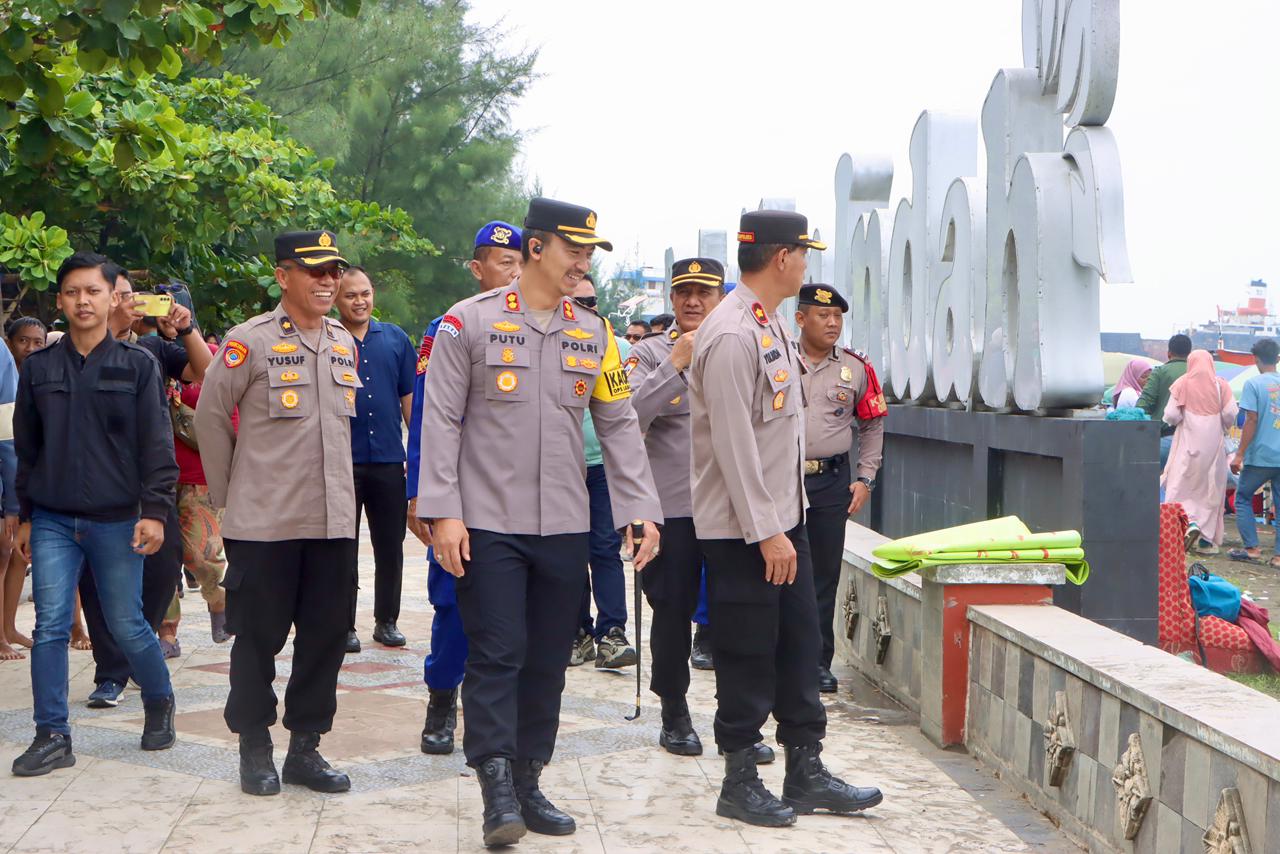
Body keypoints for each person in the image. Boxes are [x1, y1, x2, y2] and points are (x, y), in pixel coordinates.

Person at [417, 198, 661, 847]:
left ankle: (529, 779)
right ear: (534, 248)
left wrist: (639, 507)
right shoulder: (466, 325)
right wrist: (442, 512)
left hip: (564, 523)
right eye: (573, 250)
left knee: (549, 659)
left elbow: (618, 424)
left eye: (588, 253)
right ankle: (496, 786)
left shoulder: (594, 333)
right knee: (498, 652)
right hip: (488, 521)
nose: (583, 262)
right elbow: (437, 420)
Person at [689, 210, 882, 828]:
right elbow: (733, 443)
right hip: (745, 528)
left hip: (784, 519)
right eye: (804, 253)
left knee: (800, 644)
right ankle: (740, 778)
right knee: (746, 651)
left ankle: (806, 769)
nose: (806, 264)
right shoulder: (730, 333)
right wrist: (766, 529)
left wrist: (784, 524)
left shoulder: (765, 321)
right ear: (782, 259)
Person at [195, 229, 359, 796]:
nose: (327, 280)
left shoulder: (342, 342)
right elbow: (211, 417)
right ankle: (255, 745)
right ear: (283, 276)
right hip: (264, 525)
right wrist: (227, 497)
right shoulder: (248, 342)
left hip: (334, 524)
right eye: (313, 270)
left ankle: (305, 749)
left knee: (327, 638)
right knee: (257, 638)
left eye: (333, 270)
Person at [11, 251, 178, 777]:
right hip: (55, 519)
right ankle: (52, 733)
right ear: (60, 300)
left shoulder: (138, 365)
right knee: (51, 626)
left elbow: (157, 444)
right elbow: (27, 447)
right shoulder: (38, 369)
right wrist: (26, 514)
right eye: (72, 292)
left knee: (127, 624)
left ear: (112, 299)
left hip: (117, 518)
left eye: (94, 291)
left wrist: (153, 511)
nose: (83, 300)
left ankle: (159, 698)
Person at [628, 257, 770, 761]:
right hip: (674, 512)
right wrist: (675, 365)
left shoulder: (743, 345)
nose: (692, 301)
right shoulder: (647, 354)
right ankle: (674, 713)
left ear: (720, 295)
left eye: (703, 292)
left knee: (738, 617)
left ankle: (741, 725)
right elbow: (627, 417)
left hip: (731, 509)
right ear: (671, 299)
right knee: (671, 614)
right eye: (683, 292)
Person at [408, 219, 523, 755]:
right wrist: (422, 495)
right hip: (463, 498)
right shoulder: (449, 328)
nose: (515, 272)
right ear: (478, 270)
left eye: (522, 262)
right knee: (454, 605)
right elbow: (431, 418)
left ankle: (503, 718)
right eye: (504, 262)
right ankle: (440, 698)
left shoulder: (553, 326)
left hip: (526, 502)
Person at [79, 265, 210, 705]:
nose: (129, 301)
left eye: (132, 294)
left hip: (149, 481)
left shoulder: (154, 347)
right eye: (119, 295)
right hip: (91, 482)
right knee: (94, 578)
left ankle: (141, 641)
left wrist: (185, 327)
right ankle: (110, 671)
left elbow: (204, 371)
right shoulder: (74, 351)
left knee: (163, 562)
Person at [794, 284, 885, 694]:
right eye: (822, 316)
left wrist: (865, 477)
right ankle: (781, 657)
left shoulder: (856, 369)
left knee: (824, 574)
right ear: (800, 319)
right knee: (778, 571)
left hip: (831, 482)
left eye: (837, 318)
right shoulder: (776, 358)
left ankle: (817, 663)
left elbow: (872, 423)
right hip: (782, 479)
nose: (832, 324)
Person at [335, 266, 417, 652]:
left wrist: (417, 456)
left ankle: (387, 620)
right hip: (342, 462)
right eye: (351, 294)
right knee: (342, 547)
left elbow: (410, 402)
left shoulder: (396, 339)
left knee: (391, 545)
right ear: (337, 298)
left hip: (388, 460)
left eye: (365, 293)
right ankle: (343, 625)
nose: (360, 301)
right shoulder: (328, 339)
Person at [569, 272, 639, 670]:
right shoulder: (552, 346)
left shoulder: (617, 347)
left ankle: (612, 633)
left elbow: (627, 420)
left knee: (604, 549)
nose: (585, 311)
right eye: (577, 304)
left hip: (600, 468)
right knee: (570, 554)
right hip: (560, 469)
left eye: (591, 303)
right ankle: (577, 633)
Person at [166, 344, 232, 645]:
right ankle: (166, 632)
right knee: (158, 558)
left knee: (200, 554)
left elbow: (231, 410)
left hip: (199, 475)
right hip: (151, 476)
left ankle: (218, 600)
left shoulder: (208, 353)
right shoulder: (141, 354)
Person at [1162, 350, 1238, 556]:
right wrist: (1220, 422)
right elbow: (1231, 413)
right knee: (1211, 490)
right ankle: (1206, 540)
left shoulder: (1182, 383)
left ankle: (1184, 527)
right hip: (1213, 448)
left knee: (1180, 486)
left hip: (1186, 445)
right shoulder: (1221, 385)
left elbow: (1170, 414)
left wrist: (1181, 418)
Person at [1, 319, 44, 660]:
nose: (30, 348)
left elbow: (8, 439)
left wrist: (14, 502)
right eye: (23, 341)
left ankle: (7, 628)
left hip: (22, 479)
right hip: (13, 479)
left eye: (37, 341)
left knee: (12, 553)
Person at [1229, 339, 1280, 565]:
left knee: (1243, 498)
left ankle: (1252, 549)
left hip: (1260, 456)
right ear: (1278, 358)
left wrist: (1239, 454)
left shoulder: (1253, 384)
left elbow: (1251, 419)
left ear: (1256, 359)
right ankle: (1278, 557)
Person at [1138, 334, 1192, 466]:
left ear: (1169, 353)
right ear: (1190, 353)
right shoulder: (1199, 374)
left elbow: (1143, 405)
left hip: (1165, 438)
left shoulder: (1159, 372)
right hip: (1194, 442)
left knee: (1157, 483)